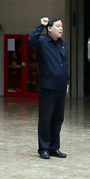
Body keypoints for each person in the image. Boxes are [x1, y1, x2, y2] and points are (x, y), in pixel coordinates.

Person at [30, 17, 69, 159]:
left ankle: (54, 147)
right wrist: (41, 25)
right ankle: (44, 148)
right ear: (49, 28)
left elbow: (65, 64)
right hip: (48, 86)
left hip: (61, 86)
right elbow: (31, 40)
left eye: (62, 26)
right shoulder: (42, 41)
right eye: (58, 26)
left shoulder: (63, 44)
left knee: (58, 119)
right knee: (46, 119)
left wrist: (67, 81)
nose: (61, 28)